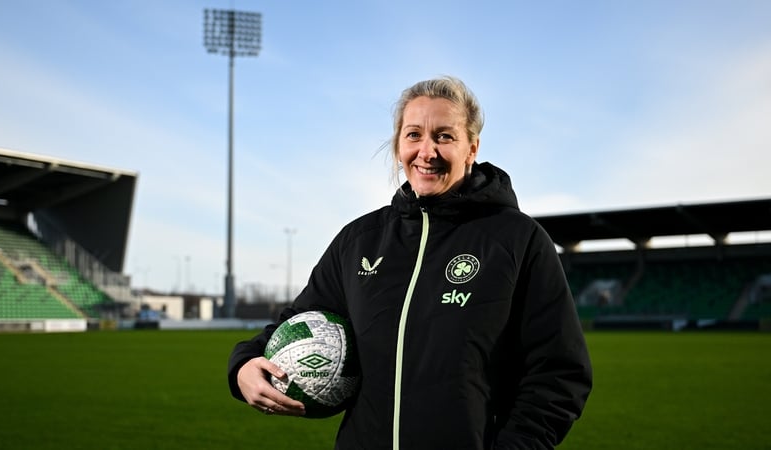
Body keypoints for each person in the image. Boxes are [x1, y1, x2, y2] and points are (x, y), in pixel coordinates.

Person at [228, 76, 593, 449]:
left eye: (444, 136)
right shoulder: (359, 241)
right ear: (398, 146)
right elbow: (302, 320)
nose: (427, 151)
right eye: (414, 135)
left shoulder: (518, 240)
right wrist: (245, 362)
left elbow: (560, 373)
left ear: (472, 148)